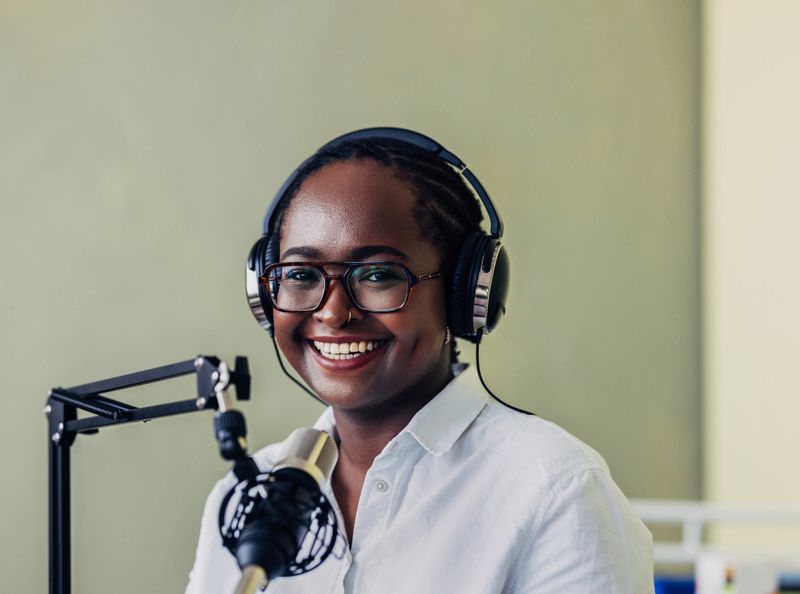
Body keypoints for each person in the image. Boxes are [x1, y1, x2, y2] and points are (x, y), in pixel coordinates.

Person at [185, 129, 654, 594]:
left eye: (378, 275)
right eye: (301, 274)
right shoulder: (246, 500)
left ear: (463, 295)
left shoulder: (555, 491)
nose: (332, 312)